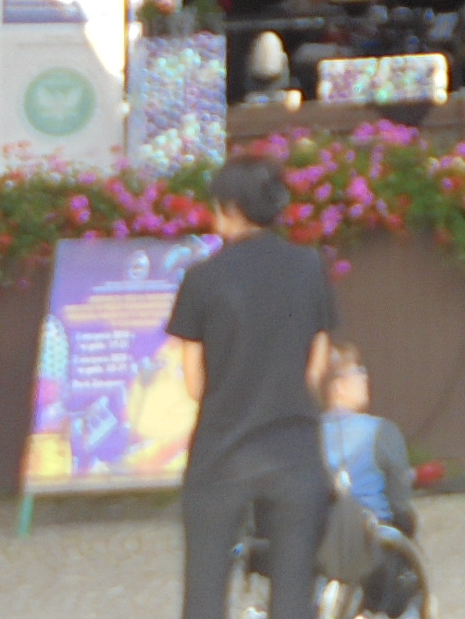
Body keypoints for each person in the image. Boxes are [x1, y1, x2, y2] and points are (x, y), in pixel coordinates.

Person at [165, 154, 337, 619]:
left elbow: (195, 383)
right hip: (295, 450)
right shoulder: (308, 267)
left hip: (221, 452)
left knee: (204, 594)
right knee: (294, 595)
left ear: (229, 208)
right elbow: (316, 365)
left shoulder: (202, 279)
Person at [323, 343, 420, 618]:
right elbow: (400, 506)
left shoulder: (305, 435)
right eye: (358, 371)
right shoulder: (380, 432)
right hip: (371, 549)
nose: (365, 378)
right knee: (408, 580)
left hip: (315, 548)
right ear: (338, 387)